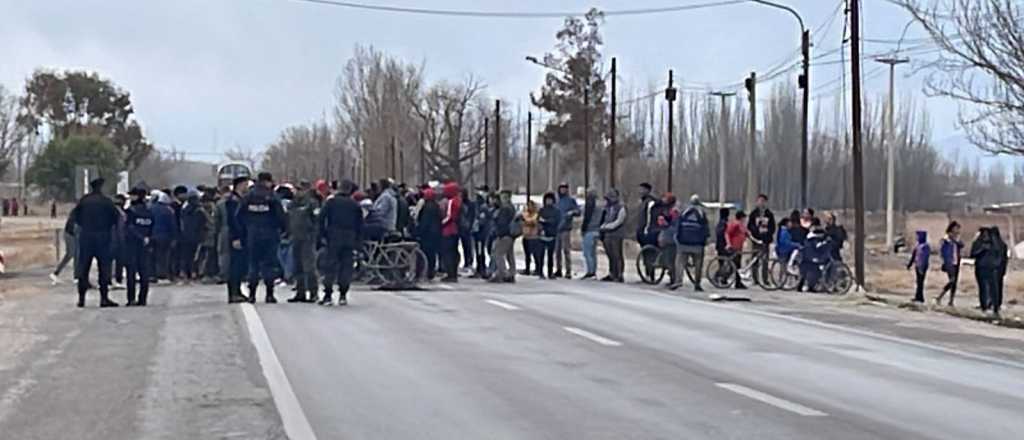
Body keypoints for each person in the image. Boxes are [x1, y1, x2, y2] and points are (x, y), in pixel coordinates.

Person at [70, 178, 120, 308]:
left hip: (86, 237)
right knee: (104, 268)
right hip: (103, 237)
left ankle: (81, 299)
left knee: (83, 268)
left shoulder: (84, 201)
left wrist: (85, 226)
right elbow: (116, 218)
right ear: (101, 187)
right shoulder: (106, 202)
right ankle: (104, 298)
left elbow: (75, 217)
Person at [238, 172, 287, 303]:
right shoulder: (272, 196)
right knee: (269, 265)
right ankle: (269, 294)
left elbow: (239, 216)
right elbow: (281, 216)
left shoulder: (248, 197)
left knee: (253, 264)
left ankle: (252, 294)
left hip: (252, 235)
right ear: (267, 181)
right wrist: (282, 230)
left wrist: (244, 231)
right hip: (270, 235)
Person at [319, 180, 363, 306]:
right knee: (346, 267)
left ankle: (328, 295)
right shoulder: (354, 205)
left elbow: (321, 219)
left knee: (330, 266)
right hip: (349, 238)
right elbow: (360, 225)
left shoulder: (331, 202)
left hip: (333, 237)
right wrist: (358, 242)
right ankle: (343, 294)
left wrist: (322, 235)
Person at [286, 181, 321, 303]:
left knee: (309, 267)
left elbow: (317, 220)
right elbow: (288, 218)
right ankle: (300, 292)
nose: (298, 192)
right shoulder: (292, 203)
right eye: (297, 189)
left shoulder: (312, 203)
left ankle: (313, 293)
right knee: (297, 266)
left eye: (301, 189)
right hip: (295, 237)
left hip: (308, 237)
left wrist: (314, 234)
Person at [671, 194, 709, 291]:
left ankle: (678, 281)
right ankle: (697, 283)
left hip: (683, 242)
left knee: (680, 262)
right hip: (697, 244)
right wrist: (704, 240)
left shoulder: (684, 212)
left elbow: (678, 226)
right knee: (698, 264)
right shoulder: (701, 213)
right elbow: (705, 229)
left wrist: (677, 238)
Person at [123, 187, 154, 306]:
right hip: (145, 245)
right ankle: (143, 299)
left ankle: (131, 299)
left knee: (131, 273)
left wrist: (140, 237)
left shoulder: (131, 211)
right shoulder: (149, 212)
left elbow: (128, 228)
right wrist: (147, 239)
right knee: (144, 273)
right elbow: (151, 228)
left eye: (132, 195)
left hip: (132, 245)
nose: (130, 197)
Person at [178, 190, 209, 283]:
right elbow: (204, 223)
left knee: (185, 255)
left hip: (185, 236)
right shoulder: (199, 210)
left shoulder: (184, 209)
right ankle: (193, 272)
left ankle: (183, 272)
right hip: (196, 236)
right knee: (194, 256)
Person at [747, 194, 776, 285]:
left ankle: (765, 279)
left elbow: (773, 227)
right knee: (755, 259)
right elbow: (749, 225)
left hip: (766, 240)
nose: (761, 203)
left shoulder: (769, 214)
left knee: (765, 260)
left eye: (763, 201)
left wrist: (768, 234)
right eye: (759, 201)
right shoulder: (754, 213)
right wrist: (755, 232)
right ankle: (755, 279)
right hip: (756, 240)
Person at [489, 190, 517, 283]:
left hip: (504, 234)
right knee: (510, 254)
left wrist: (499, 234)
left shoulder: (505, 208)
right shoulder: (512, 207)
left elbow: (502, 223)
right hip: (511, 234)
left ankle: (502, 273)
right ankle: (511, 273)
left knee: (498, 253)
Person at [600, 189, 627, 282]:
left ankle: (619, 274)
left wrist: (608, 226)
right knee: (610, 254)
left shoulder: (621, 207)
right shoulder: (606, 208)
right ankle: (612, 273)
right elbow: (603, 218)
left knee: (617, 254)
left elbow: (619, 221)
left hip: (617, 234)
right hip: (607, 234)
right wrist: (603, 227)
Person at [150, 191, 177, 282]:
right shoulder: (168, 210)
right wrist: (174, 237)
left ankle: (152, 275)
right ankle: (162, 275)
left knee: (151, 256)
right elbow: (172, 225)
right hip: (165, 237)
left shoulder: (150, 208)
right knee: (163, 257)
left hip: (152, 236)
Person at [416, 187, 443, 281]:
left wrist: (419, 231)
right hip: (435, 233)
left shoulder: (427, 207)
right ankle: (431, 271)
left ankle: (426, 272)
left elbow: (425, 221)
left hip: (427, 234)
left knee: (426, 253)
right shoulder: (436, 206)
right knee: (432, 254)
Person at [554, 183, 580, 279]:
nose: (563, 190)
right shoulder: (556, 200)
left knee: (566, 250)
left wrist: (572, 212)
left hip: (566, 228)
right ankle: (558, 269)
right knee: (557, 251)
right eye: (561, 188)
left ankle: (568, 270)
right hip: (556, 228)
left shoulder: (571, 200)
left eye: (565, 189)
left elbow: (578, 211)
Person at [936, 221, 964, 306]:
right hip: (949, 262)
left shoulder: (956, 239)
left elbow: (962, 245)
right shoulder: (946, 239)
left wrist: (956, 241)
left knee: (954, 283)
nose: (957, 230)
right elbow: (942, 250)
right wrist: (944, 261)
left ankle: (951, 301)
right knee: (952, 280)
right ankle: (939, 296)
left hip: (956, 262)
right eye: (956, 228)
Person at [439, 181, 462, 282]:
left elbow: (449, 216)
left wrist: (441, 223)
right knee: (454, 252)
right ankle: (453, 273)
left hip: (448, 230)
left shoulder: (451, 201)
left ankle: (450, 273)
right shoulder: (458, 200)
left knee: (447, 252)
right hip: (455, 230)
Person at [969, 228, 995, 312]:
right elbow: (972, 254)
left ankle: (990, 303)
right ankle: (983, 305)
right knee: (983, 287)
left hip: (991, 268)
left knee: (991, 287)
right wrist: (982, 250)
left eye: (987, 234)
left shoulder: (993, 244)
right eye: (983, 234)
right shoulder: (977, 243)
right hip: (980, 268)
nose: (985, 236)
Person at [537, 192, 562, 279]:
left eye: (550, 200)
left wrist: (547, 221)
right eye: (547, 200)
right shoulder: (542, 210)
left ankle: (550, 272)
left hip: (552, 234)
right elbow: (538, 220)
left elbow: (556, 221)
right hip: (543, 234)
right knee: (541, 254)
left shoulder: (556, 211)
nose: (548, 201)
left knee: (550, 255)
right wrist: (541, 227)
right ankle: (540, 271)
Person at [579, 189, 602, 280]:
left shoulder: (589, 207)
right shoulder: (600, 207)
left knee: (587, 253)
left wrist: (583, 229)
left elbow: (586, 219)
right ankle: (593, 271)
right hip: (597, 230)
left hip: (589, 231)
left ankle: (590, 271)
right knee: (593, 253)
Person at [50, 214, 79, 285]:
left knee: (74, 255)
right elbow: (75, 227)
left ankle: (56, 273)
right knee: (72, 254)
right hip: (70, 234)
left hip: (73, 234)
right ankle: (75, 277)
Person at [471, 186, 493, 278]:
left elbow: (482, 219)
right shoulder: (481, 205)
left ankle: (481, 268)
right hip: (479, 232)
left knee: (480, 251)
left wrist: (477, 225)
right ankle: (480, 268)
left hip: (481, 232)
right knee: (479, 250)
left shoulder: (483, 206)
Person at [725, 211, 749, 289]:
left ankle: (738, 282)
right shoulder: (734, 224)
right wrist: (729, 244)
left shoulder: (741, 225)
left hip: (739, 247)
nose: (745, 219)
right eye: (744, 218)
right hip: (734, 247)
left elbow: (746, 233)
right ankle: (724, 278)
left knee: (737, 265)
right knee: (735, 265)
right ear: (741, 217)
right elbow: (727, 233)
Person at [906, 230, 930, 303]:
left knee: (920, 282)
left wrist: (922, 267)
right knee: (918, 282)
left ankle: (920, 297)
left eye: (918, 236)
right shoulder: (918, 246)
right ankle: (918, 296)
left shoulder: (925, 246)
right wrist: (909, 265)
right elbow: (913, 256)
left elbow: (924, 258)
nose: (917, 238)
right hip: (917, 265)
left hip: (922, 266)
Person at [990, 227, 1009, 317]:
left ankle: (995, 306)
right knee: (998, 287)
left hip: (995, 269)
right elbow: (1005, 259)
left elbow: (1001, 258)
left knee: (994, 288)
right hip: (1000, 269)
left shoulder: (994, 245)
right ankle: (996, 304)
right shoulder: (1003, 245)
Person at [520, 199, 540, 276]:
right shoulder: (525, 214)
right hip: (526, 236)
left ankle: (537, 269)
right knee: (527, 254)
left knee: (535, 254)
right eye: (528, 205)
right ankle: (527, 269)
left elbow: (533, 222)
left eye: (531, 206)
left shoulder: (536, 214)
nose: (529, 207)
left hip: (534, 237)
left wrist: (526, 221)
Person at [459, 188, 476, 272]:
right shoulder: (461, 204)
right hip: (461, 227)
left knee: (468, 246)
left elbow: (472, 216)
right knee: (464, 246)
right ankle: (466, 262)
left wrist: (470, 225)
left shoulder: (469, 204)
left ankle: (469, 262)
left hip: (467, 228)